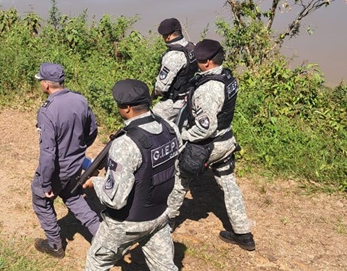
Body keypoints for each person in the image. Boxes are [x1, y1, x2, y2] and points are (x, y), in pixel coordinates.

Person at [166, 39, 256, 251]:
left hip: (208, 145)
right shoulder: (227, 77)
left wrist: (184, 135)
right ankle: (244, 234)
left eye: (198, 60)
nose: (196, 63)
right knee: (228, 183)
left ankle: (166, 223)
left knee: (180, 179)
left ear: (207, 62)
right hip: (226, 141)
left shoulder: (208, 90)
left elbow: (206, 128)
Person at [82, 79, 179, 271]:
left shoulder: (126, 144)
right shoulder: (170, 128)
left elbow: (115, 200)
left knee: (96, 262)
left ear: (126, 108)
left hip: (128, 223)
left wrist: (95, 182)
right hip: (160, 215)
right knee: (165, 268)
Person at [31, 62, 101, 259]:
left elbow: (47, 153)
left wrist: (45, 183)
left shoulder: (47, 110)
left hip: (57, 169)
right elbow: (92, 131)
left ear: (46, 84)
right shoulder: (80, 100)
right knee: (73, 197)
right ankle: (102, 237)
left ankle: (54, 245)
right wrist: (78, 150)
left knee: (41, 201)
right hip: (76, 164)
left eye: (40, 82)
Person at [152, 18, 197, 126]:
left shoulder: (173, 56)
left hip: (175, 102)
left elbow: (161, 87)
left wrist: (154, 94)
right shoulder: (193, 47)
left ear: (168, 36)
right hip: (191, 98)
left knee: (151, 121)